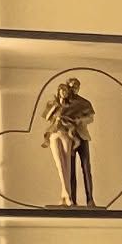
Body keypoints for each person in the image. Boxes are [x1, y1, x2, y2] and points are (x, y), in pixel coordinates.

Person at [41, 76, 96, 206]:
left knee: (86, 167)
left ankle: (90, 199)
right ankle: (72, 199)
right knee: (69, 168)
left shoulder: (84, 103)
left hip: (81, 136)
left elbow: (90, 118)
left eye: (76, 87)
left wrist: (80, 120)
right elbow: (50, 117)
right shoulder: (62, 102)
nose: (74, 89)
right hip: (68, 136)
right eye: (71, 87)